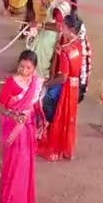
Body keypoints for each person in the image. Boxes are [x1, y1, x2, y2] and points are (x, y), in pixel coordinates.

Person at [0, 50, 44, 203]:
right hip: (14, 128)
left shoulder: (35, 82)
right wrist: (13, 115)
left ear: (34, 68)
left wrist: (41, 120)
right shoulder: (11, 83)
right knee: (14, 164)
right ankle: (8, 202)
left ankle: (22, 202)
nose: (24, 70)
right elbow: (0, 106)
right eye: (22, 66)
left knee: (26, 165)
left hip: (28, 127)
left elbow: (34, 105)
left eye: (28, 67)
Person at [37, 15, 85, 161]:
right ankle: (64, 146)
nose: (61, 28)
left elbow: (63, 77)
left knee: (49, 106)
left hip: (65, 87)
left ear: (71, 29)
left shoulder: (66, 51)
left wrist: (45, 83)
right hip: (74, 85)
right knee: (67, 116)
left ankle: (51, 139)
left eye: (63, 26)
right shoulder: (78, 43)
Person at [29, 0, 73, 81]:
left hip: (50, 36)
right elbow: (52, 12)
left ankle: (38, 83)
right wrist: (43, 3)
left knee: (40, 59)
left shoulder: (62, 4)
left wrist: (39, 25)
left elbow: (59, 27)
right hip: (47, 31)